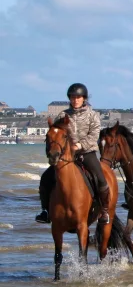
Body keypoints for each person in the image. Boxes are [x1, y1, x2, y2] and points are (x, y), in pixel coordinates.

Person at [36, 83, 111, 224]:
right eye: (72, 97)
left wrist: (80, 145)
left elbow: (94, 135)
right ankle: (45, 211)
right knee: (46, 178)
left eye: (78, 97)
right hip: (67, 156)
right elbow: (57, 135)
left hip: (87, 153)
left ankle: (105, 211)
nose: (75, 100)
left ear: (84, 98)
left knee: (101, 179)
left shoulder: (93, 115)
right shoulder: (63, 115)